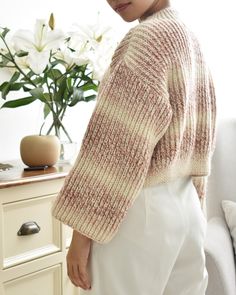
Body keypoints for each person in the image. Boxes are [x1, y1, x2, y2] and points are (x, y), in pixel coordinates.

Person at [51, 0, 217, 294]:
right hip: (186, 206)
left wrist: (82, 234)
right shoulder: (190, 38)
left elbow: (115, 145)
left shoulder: (147, 39)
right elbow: (202, 132)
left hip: (138, 212)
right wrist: (197, 201)